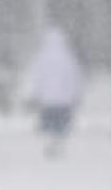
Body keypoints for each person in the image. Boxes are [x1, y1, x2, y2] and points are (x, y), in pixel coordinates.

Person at [27, 26, 84, 156]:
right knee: (61, 126)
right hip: (64, 101)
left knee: (49, 126)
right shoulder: (68, 58)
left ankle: (50, 146)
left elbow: (36, 78)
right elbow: (74, 78)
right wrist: (76, 94)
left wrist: (35, 94)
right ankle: (59, 145)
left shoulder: (41, 57)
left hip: (47, 101)